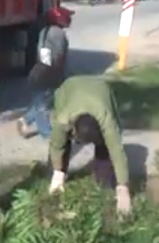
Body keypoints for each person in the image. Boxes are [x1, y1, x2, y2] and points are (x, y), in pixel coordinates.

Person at [46, 75, 132, 214]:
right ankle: (56, 180)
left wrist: (123, 187)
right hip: (69, 88)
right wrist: (57, 172)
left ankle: (104, 183)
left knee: (106, 146)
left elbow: (117, 151)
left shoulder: (106, 119)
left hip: (100, 89)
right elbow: (56, 145)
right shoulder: (64, 120)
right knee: (62, 141)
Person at [17, 5, 73, 139]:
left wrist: (44, 67)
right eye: (68, 17)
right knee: (43, 105)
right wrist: (56, 73)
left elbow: (44, 53)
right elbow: (58, 56)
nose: (70, 19)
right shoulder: (58, 34)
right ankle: (47, 133)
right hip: (48, 74)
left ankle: (25, 120)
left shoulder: (45, 31)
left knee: (42, 101)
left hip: (40, 71)